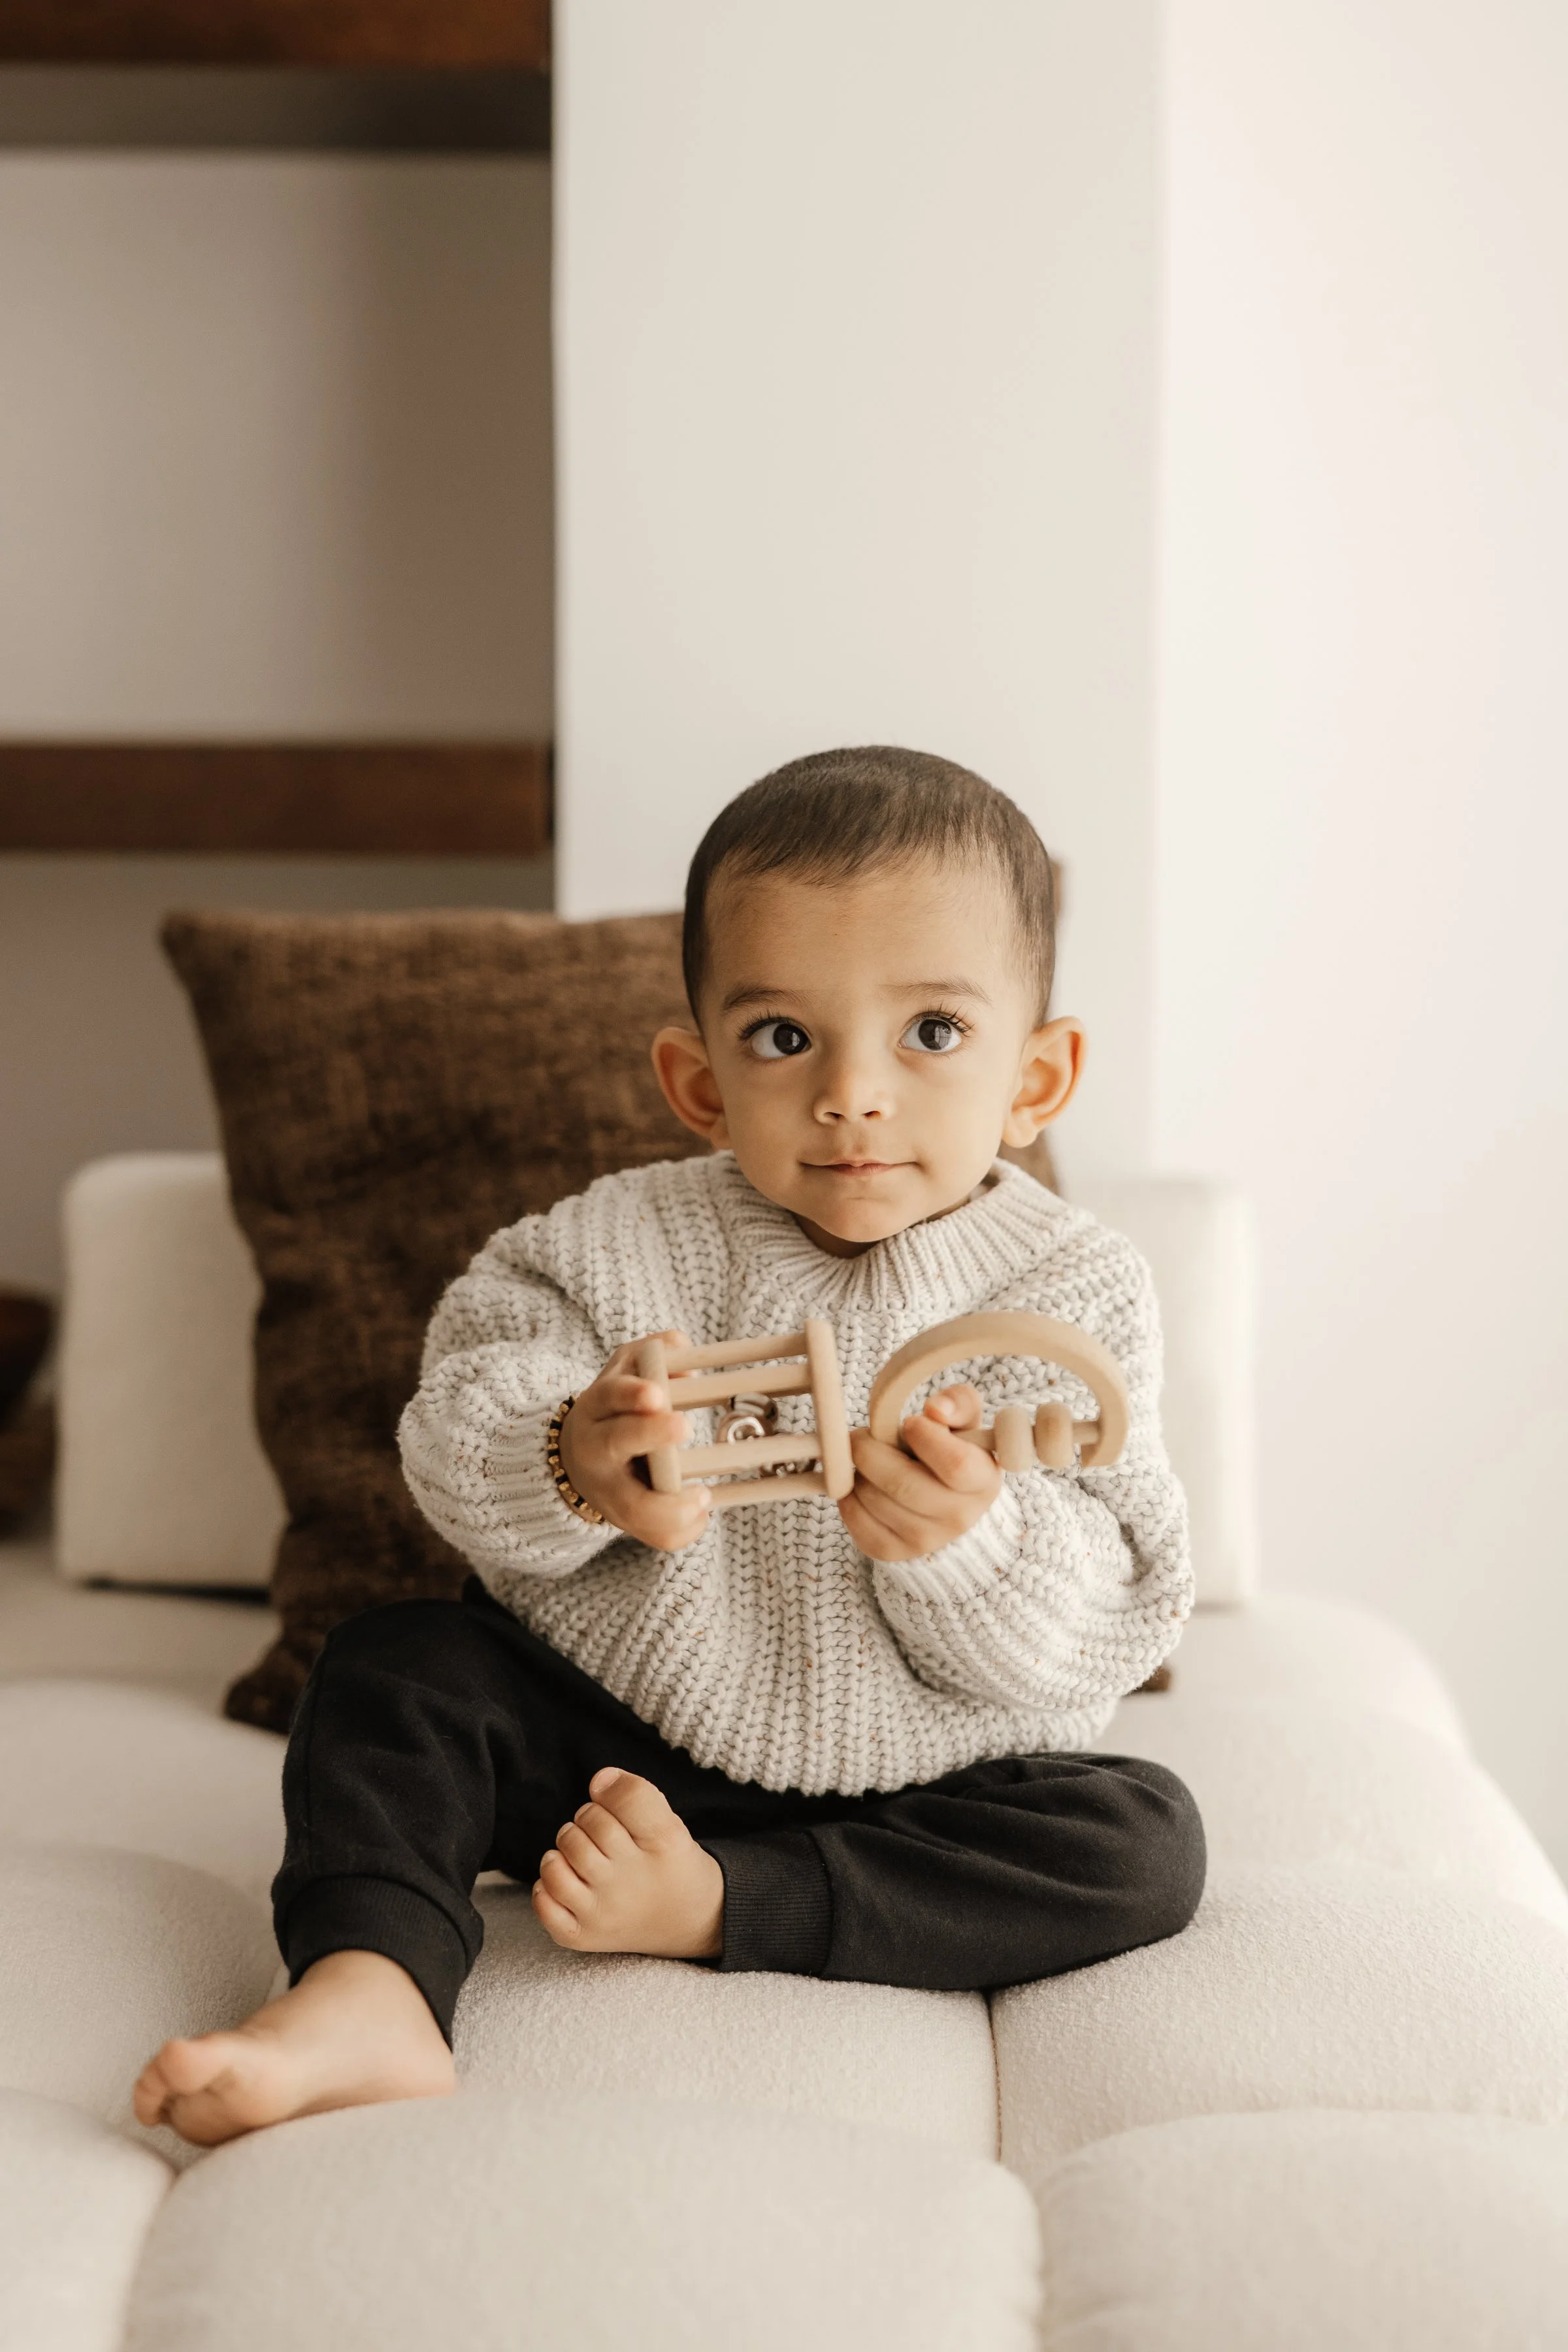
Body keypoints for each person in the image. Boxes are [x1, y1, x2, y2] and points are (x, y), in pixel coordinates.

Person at [135, 744, 1204, 2146]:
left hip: (931, 1777)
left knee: (1144, 1840)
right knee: (395, 1667)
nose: (853, 1094)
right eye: (783, 1038)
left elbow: (1124, 1605)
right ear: (699, 1085)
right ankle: (368, 1984)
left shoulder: (1076, 1290)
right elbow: (455, 1423)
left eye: (932, 1033)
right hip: (622, 1748)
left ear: (1038, 1075)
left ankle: (723, 1905)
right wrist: (575, 1461)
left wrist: (973, 1545)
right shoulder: (611, 1243)